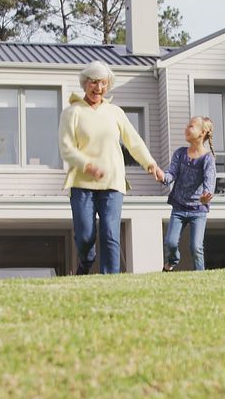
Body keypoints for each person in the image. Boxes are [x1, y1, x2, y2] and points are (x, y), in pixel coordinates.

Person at [59, 60, 163, 274]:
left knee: (110, 233)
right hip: (82, 183)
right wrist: (87, 166)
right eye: (94, 82)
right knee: (86, 235)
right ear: (85, 83)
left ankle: (111, 279)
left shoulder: (115, 112)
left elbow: (133, 141)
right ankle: (86, 260)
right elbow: (66, 148)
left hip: (113, 181)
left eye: (103, 83)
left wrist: (150, 163)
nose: (98, 88)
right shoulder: (72, 113)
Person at [161, 116, 217, 271]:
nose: (186, 128)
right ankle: (172, 261)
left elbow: (209, 180)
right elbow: (171, 174)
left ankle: (200, 277)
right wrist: (162, 176)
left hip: (198, 210)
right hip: (179, 207)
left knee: (196, 247)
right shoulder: (180, 154)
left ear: (202, 133)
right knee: (170, 242)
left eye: (191, 126)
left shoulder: (208, 159)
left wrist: (206, 195)